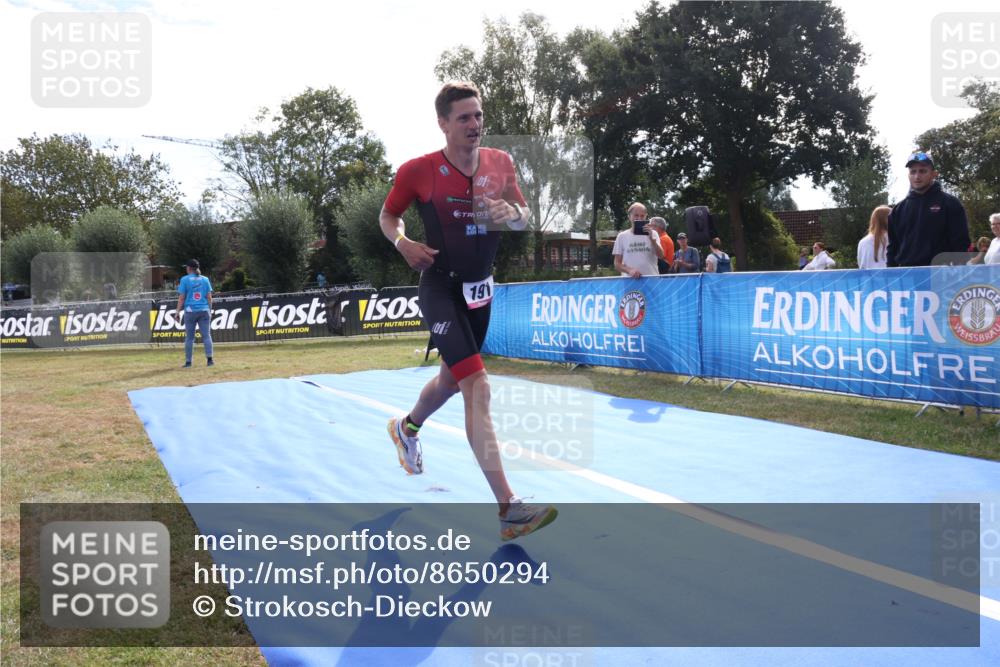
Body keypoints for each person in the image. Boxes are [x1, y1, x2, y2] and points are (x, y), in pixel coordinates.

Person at [378, 81, 556, 541]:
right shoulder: (418, 170)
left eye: (478, 116)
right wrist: (403, 243)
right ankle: (509, 508)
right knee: (477, 384)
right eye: (464, 118)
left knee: (453, 379)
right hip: (440, 286)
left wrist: (509, 213)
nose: (474, 124)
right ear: (443, 123)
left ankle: (406, 427)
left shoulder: (501, 162)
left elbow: (523, 215)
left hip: (481, 291)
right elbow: (387, 216)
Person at [887, 151, 970, 267]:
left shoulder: (950, 204)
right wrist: (891, 276)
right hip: (907, 277)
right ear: (908, 175)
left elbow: (961, 244)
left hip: (941, 276)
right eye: (913, 171)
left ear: (933, 174)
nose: (917, 176)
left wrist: (955, 274)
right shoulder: (897, 210)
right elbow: (892, 248)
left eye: (922, 171)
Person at [176, 259, 214, 368]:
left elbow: (181, 298)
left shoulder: (185, 279)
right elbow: (209, 297)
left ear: (189, 268)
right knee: (206, 336)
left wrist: (177, 312)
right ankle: (210, 360)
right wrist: (209, 310)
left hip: (190, 311)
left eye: (186, 267)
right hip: (204, 310)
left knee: (190, 338)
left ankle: (188, 362)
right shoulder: (205, 279)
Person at [612, 203, 664, 277]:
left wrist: (652, 240)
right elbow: (617, 264)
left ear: (646, 216)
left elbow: (661, 256)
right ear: (629, 217)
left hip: (651, 280)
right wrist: (629, 270)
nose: (639, 218)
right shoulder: (622, 236)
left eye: (642, 216)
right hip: (630, 281)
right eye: (636, 215)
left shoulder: (653, 233)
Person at [857, 205, 890, 269]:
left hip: (868, 278)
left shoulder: (863, 242)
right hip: (890, 278)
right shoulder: (895, 240)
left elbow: (861, 265)